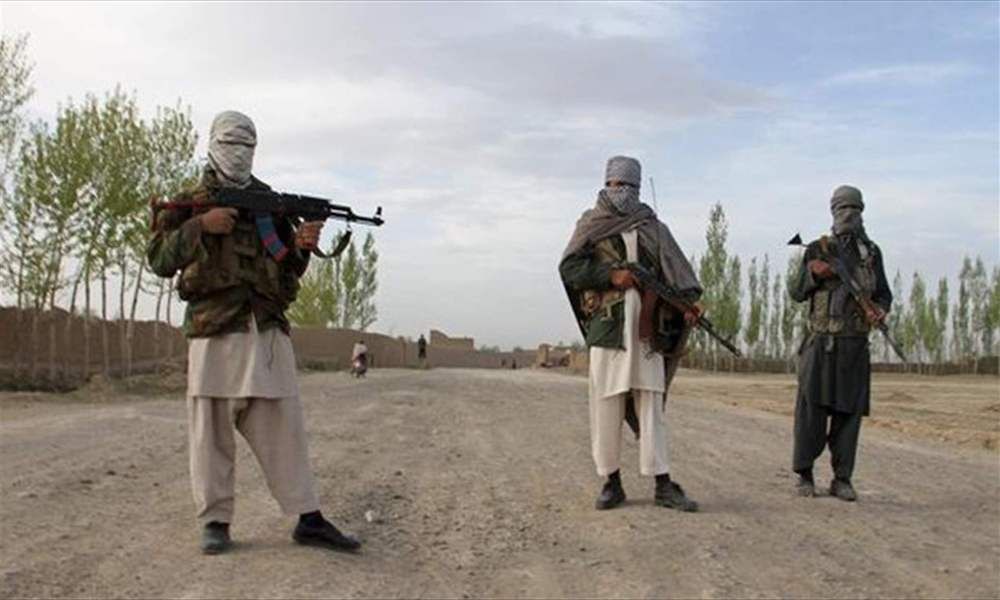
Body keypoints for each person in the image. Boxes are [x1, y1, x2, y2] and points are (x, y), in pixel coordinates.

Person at [147, 111, 361, 555]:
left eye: (247, 146)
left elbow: (286, 268)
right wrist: (200, 226)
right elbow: (160, 260)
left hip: (264, 326)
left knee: (284, 425)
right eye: (231, 144)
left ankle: (308, 517)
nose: (239, 154)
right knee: (210, 430)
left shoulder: (270, 204)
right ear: (212, 146)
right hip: (212, 328)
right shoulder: (188, 203)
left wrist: (302, 247)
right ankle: (215, 521)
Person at [559, 155, 702, 512]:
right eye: (612, 184)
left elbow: (677, 275)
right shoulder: (591, 224)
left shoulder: (653, 228)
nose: (618, 191)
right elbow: (570, 268)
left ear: (637, 188)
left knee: (651, 406)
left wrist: (686, 306)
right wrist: (610, 276)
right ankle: (611, 482)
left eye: (625, 185)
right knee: (605, 407)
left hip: (648, 333)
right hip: (608, 330)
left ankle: (663, 484)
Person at [789, 185, 892, 502]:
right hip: (820, 344)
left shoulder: (871, 254)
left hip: (855, 345)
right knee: (811, 412)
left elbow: (884, 294)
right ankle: (805, 474)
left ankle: (842, 479)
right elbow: (796, 291)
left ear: (862, 212)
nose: (849, 214)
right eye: (843, 208)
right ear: (833, 211)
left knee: (849, 416)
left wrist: (879, 310)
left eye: (855, 209)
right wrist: (814, 274)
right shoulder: (818, 248)